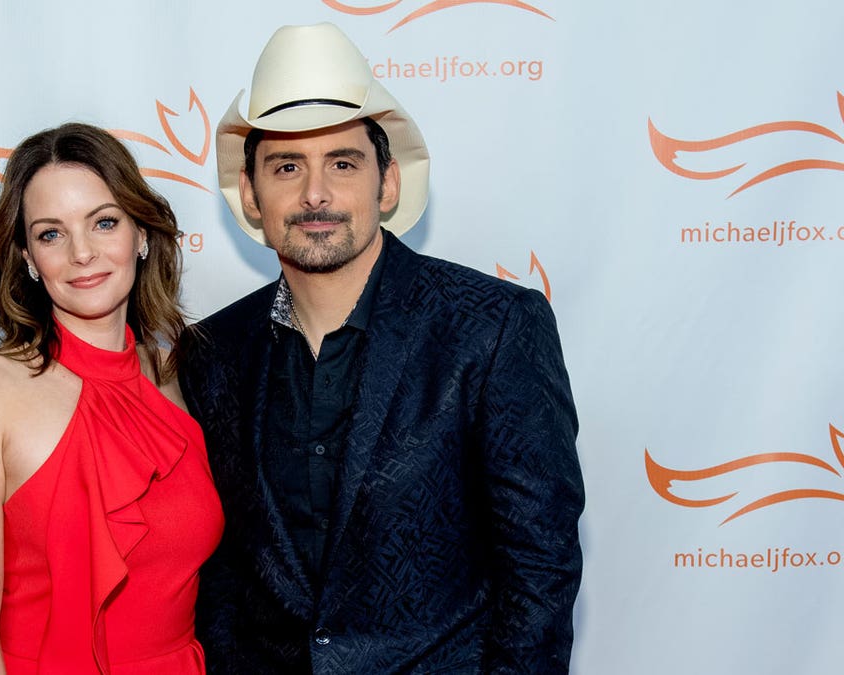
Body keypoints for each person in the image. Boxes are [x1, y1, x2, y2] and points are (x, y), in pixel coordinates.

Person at [178, 23, 584, 674]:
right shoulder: (212, 352)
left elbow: (539, 569)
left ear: (387, 184)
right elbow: (220, 573)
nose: (315, 193)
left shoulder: (494, 328)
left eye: (342, 162)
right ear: (251, 195)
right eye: (287, 166)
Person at [0, 122, 223, 675]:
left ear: (141, 234)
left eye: (104, 222)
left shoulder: (178, 376)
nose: (82, 253)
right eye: (51, 234)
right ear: (26, 258)